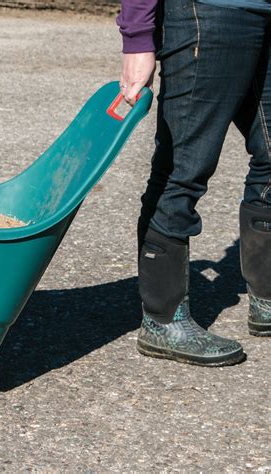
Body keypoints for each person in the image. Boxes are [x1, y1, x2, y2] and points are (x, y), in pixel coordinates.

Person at [116, 0, 271, 366]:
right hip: (209, 12)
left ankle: (266, 298)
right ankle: (163, 320)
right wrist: (138, 38)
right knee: (183, 167)